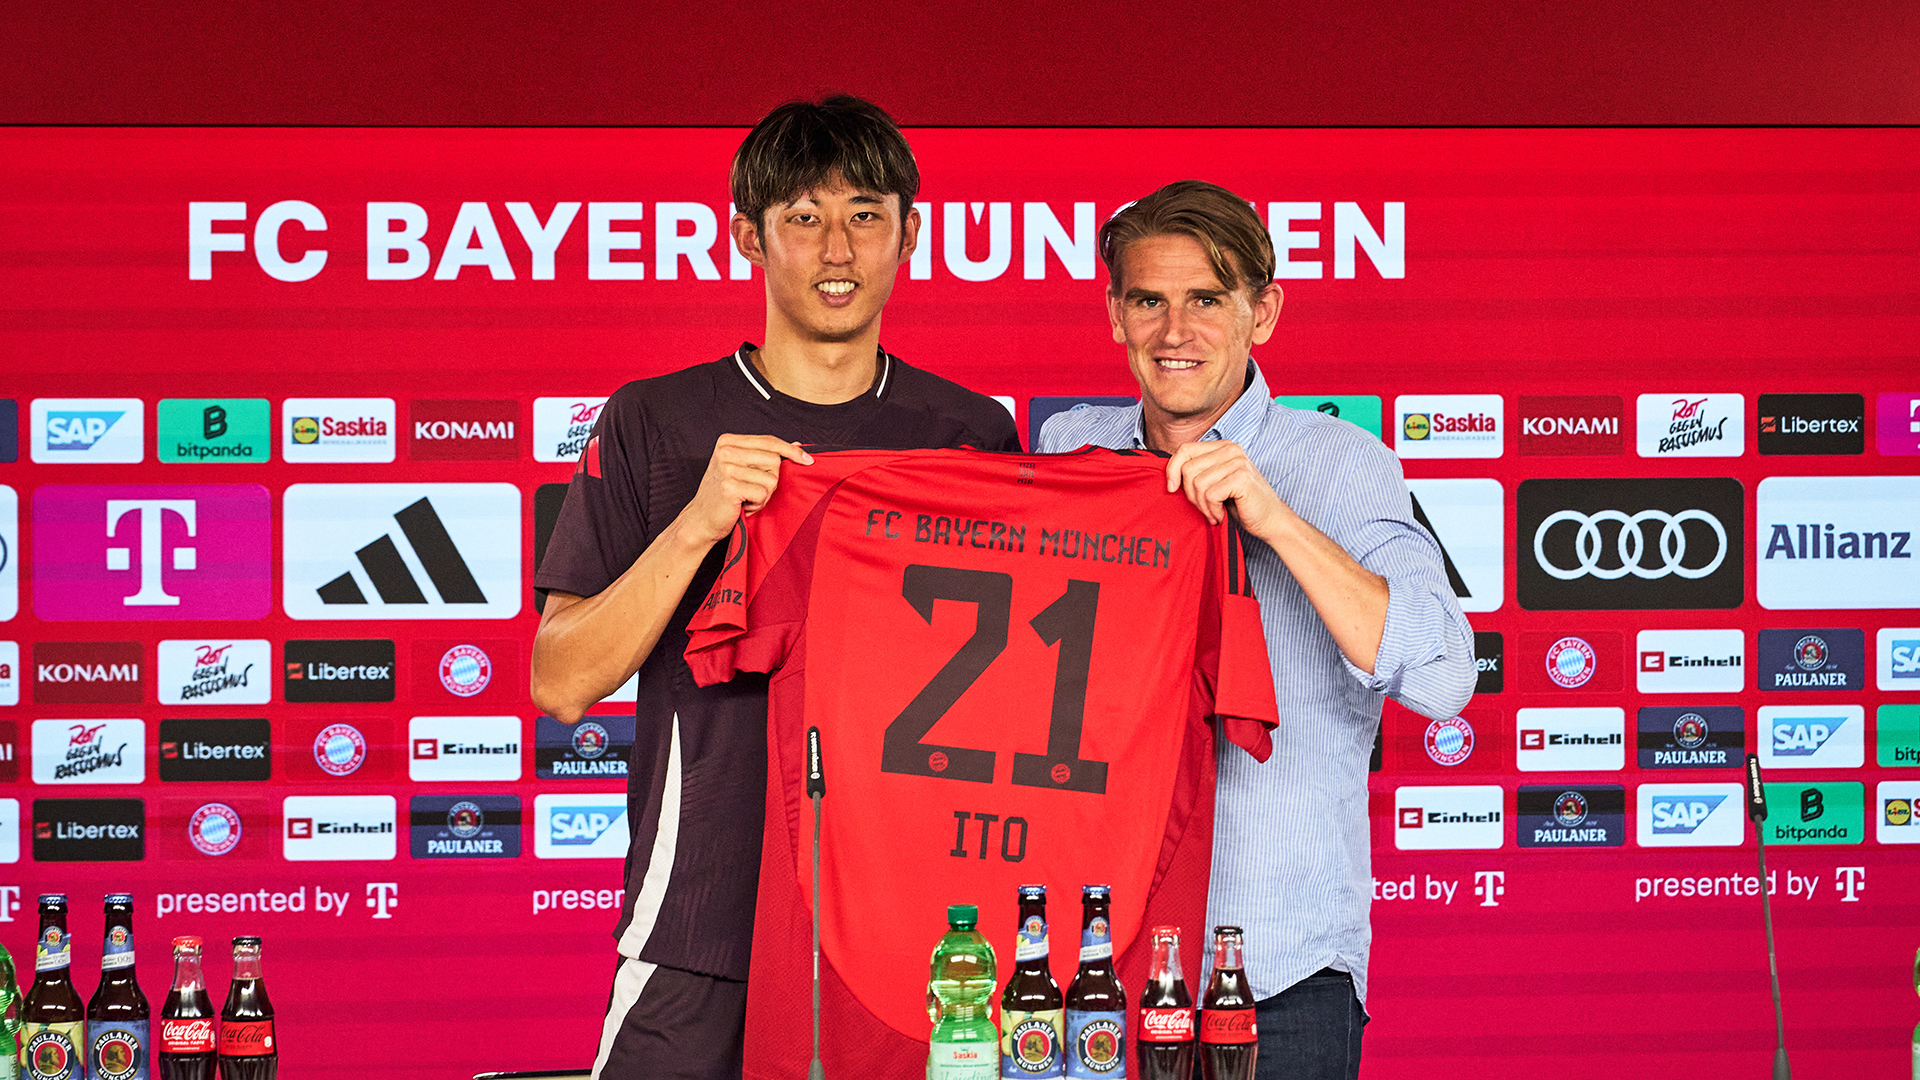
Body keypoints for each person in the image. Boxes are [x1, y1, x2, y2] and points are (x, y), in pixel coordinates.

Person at [530, 96, 1020, 1080]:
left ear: (909, 233)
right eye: (803, 216)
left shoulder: (972, 437)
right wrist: (700, 522)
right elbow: (559, 680)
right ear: (747, 236)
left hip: (909, 933)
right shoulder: (654, 422)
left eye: (866, 214)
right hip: (701, 920)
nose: (837, 248)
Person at [1036, 180, 1475, 1080]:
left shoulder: (1343, 465)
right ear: (1114, 315)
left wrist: (1273, 519)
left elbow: (1441, 679)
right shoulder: (1069, 453)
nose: (1174, 332)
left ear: (1262, 313)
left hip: (1277, 976)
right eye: (1149, 301)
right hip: (1100, 968)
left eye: (1206, 299)